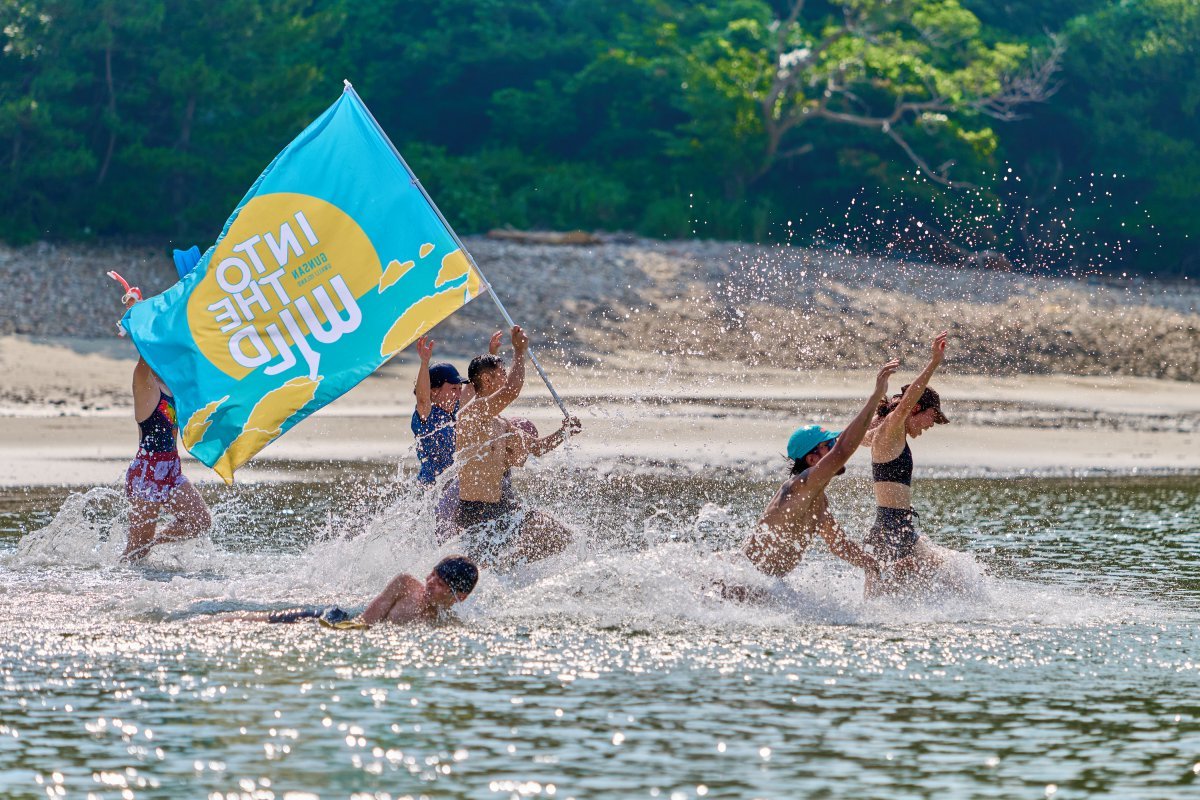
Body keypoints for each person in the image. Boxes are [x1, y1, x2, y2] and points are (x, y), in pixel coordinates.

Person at [737, 359, 900, 596]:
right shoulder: (800, 485)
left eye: (833, 444)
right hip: (741, 582)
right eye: (829, 446)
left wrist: (870, 564)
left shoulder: (819, 502)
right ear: (813, 460)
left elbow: (839, 544)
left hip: (762, 587)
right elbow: (845, 448)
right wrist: (876, 396)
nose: (835, 449)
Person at [454, 326, 577, 567]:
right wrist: (520, 352)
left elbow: (537, 448)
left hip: (502, 506)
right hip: (475, 511)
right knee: (479, 574)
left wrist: (564, 432)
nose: (506, 375)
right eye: (502, 372)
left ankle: (509, 565)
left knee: (559, 535)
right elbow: (511, 391)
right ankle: (499, 571)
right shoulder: (470, 415)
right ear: (487, 380)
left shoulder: (501, 424)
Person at [119, 293, 212, 561]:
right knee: (136, 553)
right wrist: (135, 311)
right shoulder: (144, 384)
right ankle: (117, 581)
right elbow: (146, 346)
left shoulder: (174, 389)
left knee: (200, 522)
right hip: (146, 474)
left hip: (171, 471)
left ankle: (153, 541)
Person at [867, 331, 963, 585]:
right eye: (933, 416)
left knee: (884, 598)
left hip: (888, 528)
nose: (932, 425)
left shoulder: (882, 434)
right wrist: (934, 362)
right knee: (955, 578)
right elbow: (908, 400)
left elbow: (856, 436)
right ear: (916, 409)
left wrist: (878, 396)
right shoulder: (891, 430)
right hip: (894, 529)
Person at [254, 555, 480, 627]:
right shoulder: (405, 585)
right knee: (257, 620)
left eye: (440, 583)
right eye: (432, 575)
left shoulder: (447, 624)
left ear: (460, 596)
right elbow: (364, 621)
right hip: (334, 618)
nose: (430, 582)